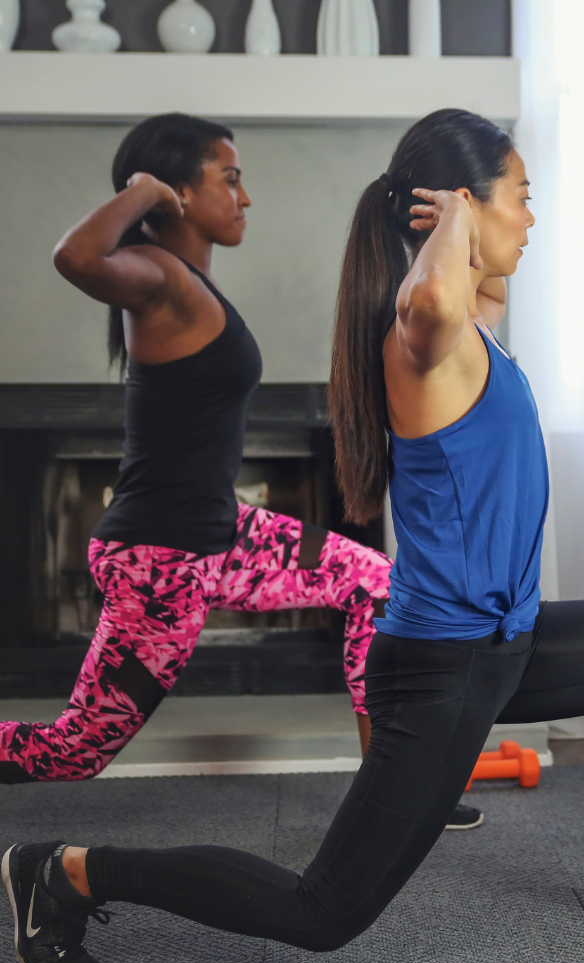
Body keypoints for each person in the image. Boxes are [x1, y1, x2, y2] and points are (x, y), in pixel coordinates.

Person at [3, 109, 584, 963]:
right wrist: (461, 215)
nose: (533, 217)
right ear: (468, 206)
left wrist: (466, 224)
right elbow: (429, 294)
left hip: (507, 645)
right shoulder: (420, 338)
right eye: (522, 197)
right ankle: (63, 871)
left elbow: (471, 288)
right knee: (318, 915)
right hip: (442, 667)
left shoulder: (472, 323)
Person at [0, 112, 482, 830]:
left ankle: (392, 794)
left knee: (374, 581)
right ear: (181, 194)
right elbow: (74, 255)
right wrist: (142, 190)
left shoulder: (183, 280)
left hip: (220, 535)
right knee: (76, 750)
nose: (245, 196)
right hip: (159, 562)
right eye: (229, 178)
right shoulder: (161, 278)